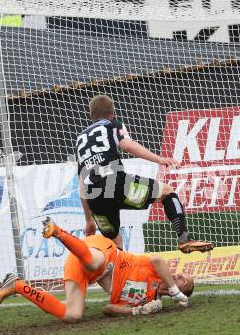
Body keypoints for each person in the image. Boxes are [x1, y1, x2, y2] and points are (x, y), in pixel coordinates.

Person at [76, 94, 214, 253]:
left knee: (113, 245)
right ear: (113, 113)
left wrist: (88, 220)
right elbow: (128, 145)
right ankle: (184, 239)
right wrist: (159, 159)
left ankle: (116, 277)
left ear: (90, 115)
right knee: (167, 192)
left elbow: (81, 182)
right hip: (116, 185)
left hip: (95, 197)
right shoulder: (112, 124)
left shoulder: (80, 140)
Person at [0, 218, 194, 322]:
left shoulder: (150, 301)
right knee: (95, 263)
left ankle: (17, 285)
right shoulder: (161, 271)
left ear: (183, 290)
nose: (179, 274)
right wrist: (174, 290)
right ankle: (58, 231)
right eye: (182, 274)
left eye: (183, 279)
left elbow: (109, 309)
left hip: (82, 266)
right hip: (102, 252)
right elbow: (158, 259)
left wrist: (136, 310)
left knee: (73, 315)